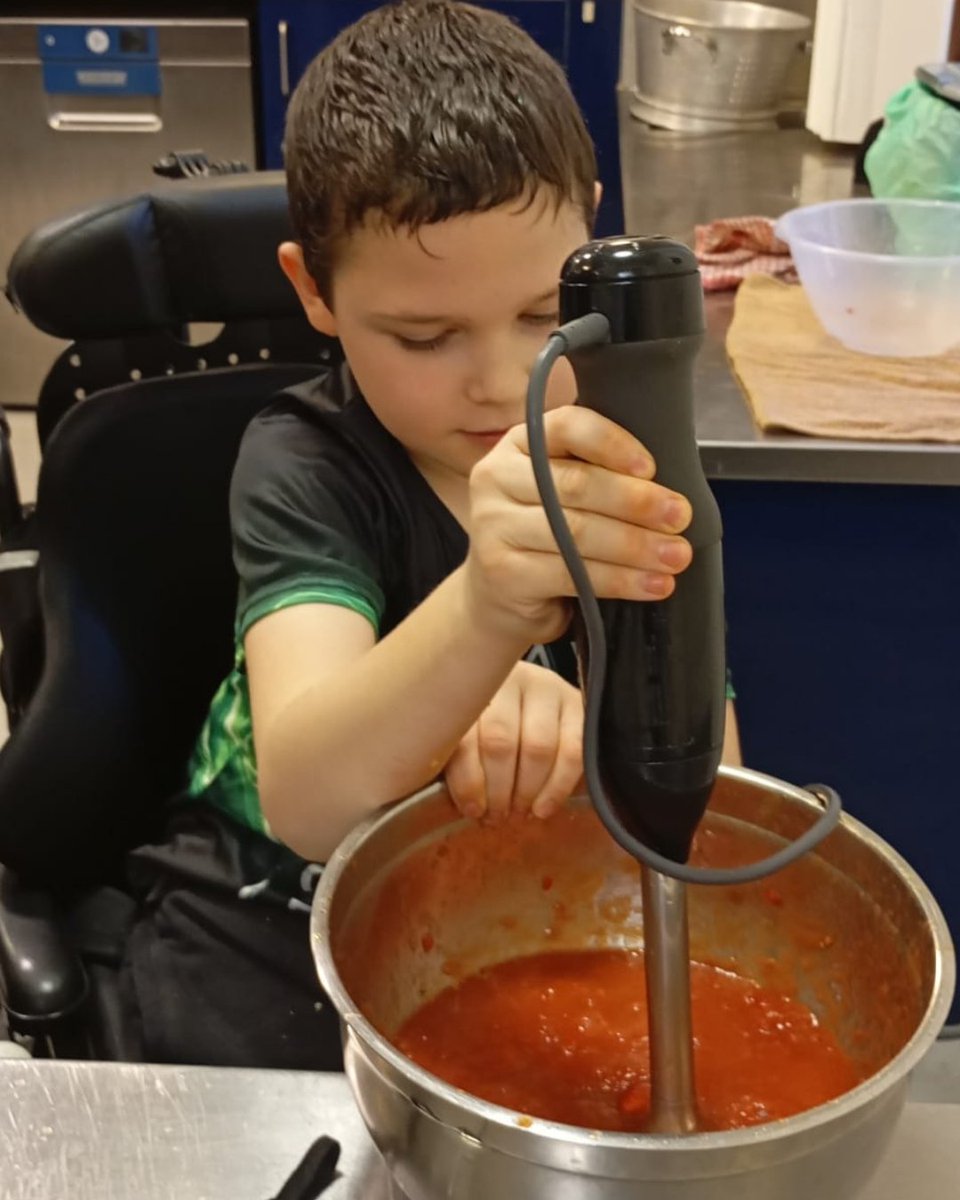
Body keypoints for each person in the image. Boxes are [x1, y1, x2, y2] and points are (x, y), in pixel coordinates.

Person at [118, 0, 739, 1070]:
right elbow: (308, 796)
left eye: (548, 316)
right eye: (424, 335)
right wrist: (484, 617)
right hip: (265, 932)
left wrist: (603, 733)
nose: (501, 382)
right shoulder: (307, 465)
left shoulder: (619, 456)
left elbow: (714, 791)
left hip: (517, 922)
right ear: (314, 291)